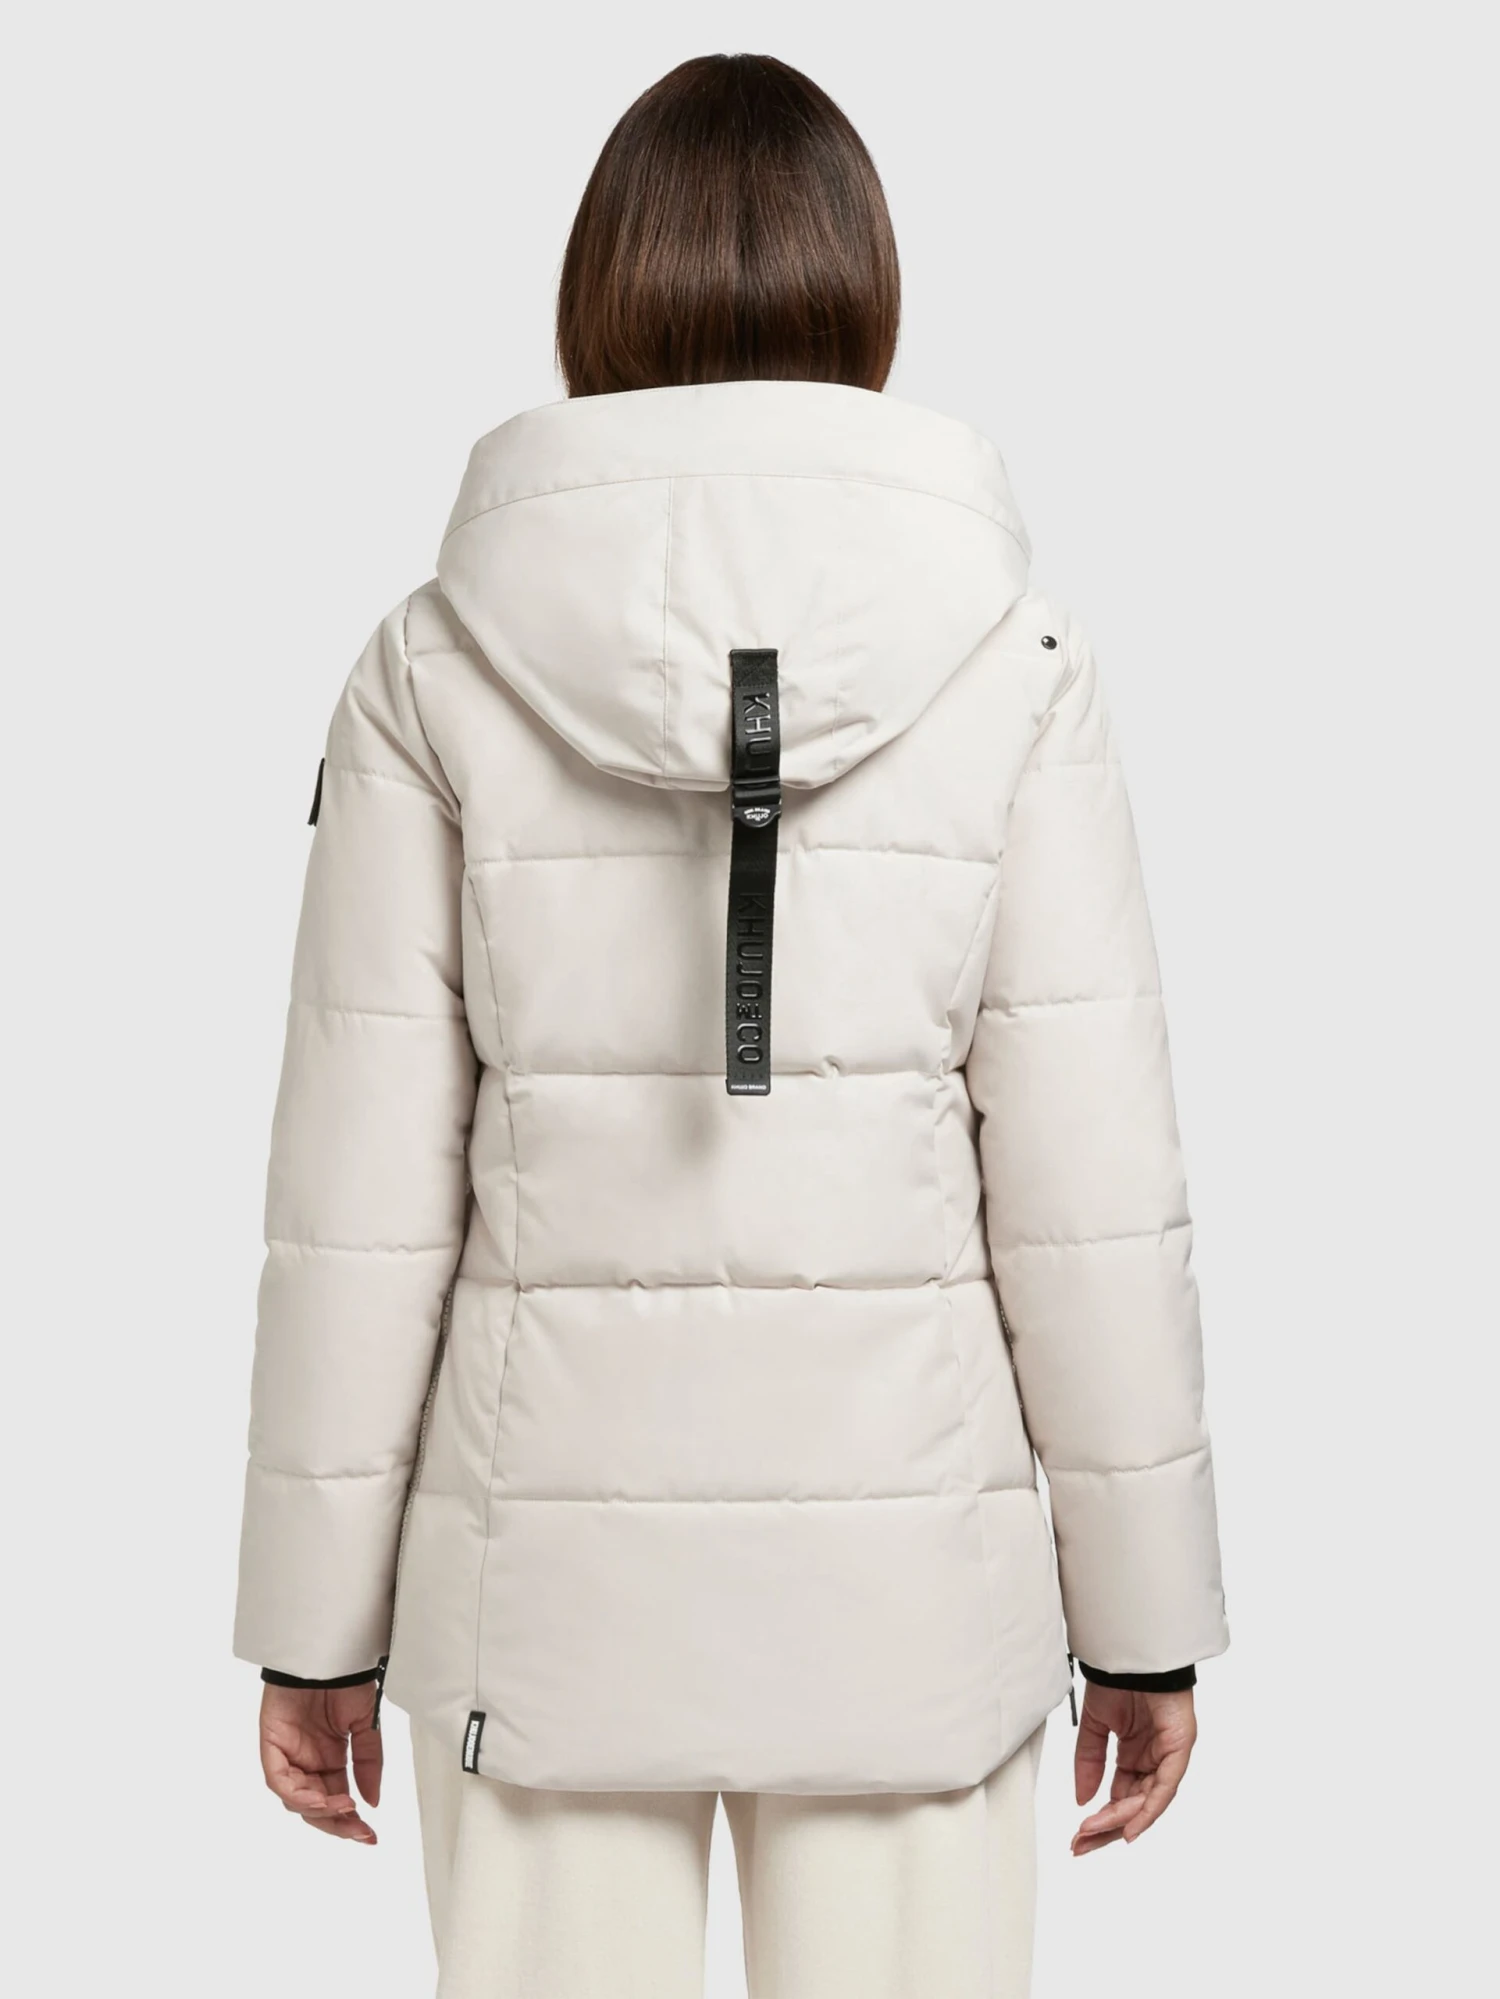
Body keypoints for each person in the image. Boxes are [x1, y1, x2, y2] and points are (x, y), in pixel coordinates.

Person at [236, 51, 1227, 1999]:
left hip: (541, 1598)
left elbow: (360, 1196)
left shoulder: (435, 664)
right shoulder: (1014, 659)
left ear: (597, 287)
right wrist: (1144, 1622)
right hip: (909, 1604)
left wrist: (315, 1624)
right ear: (869, 290)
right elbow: (1090, 1186)